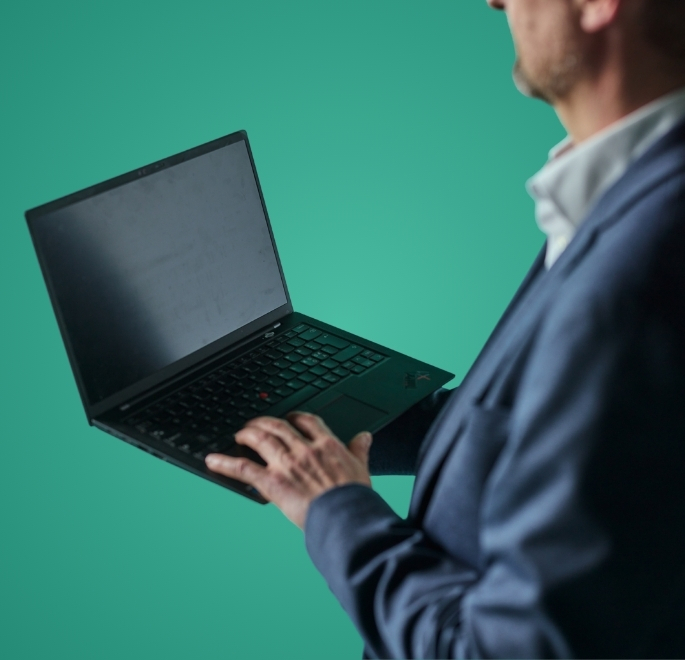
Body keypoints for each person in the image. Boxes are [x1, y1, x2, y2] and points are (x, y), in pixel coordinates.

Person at [205, 0, 685, 656]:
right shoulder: (627, 196)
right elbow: (551, 431)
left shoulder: (642, 270)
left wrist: (336, 511)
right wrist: (320, 415)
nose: (495, 1)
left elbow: (507, 649)